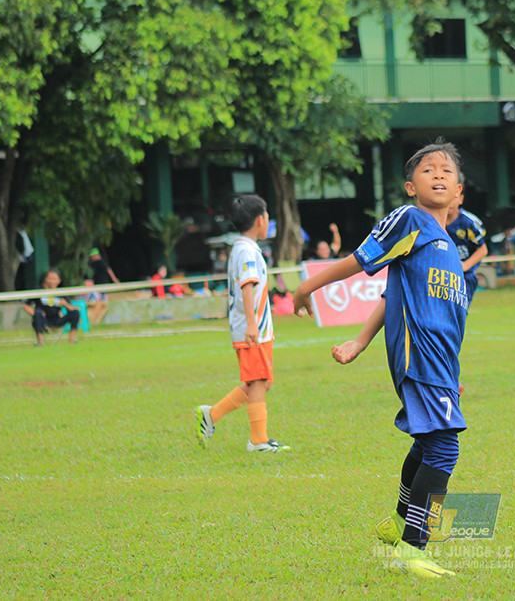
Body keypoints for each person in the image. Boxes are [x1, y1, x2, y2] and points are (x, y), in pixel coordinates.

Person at [293, 141, 468, 579]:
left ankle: (396, 525)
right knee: (445, 449)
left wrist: (359, 341)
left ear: (459, 188)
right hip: (418, 357)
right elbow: (358, 260)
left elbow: (397, 297)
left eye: (446, 170)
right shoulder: (410, 220)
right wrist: (306, 287)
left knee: (429, 444)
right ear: (412, 186)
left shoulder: (447, 246)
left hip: (440, 365)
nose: (439, 175)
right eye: (428, 170)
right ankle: (413, 547)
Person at [195, 194, 288, 453]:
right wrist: (251, 325)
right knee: (258, 380)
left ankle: (211, 415)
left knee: (261, 382)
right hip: (251, 328)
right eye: (267, 215)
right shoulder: (247, 250)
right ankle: (258, 440)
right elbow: (247, 286)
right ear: (260, 220)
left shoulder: (244, 247)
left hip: (257, 327)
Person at [445, 175, 489, 303]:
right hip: (442, 276)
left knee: (458, 315)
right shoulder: (433, 222)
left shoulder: (469, 223)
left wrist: (464, 266)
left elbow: (482, 249)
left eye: (454, 198)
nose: (449, 202)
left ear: (461, 199)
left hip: (465, 277)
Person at [22, 268, 81, 345]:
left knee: (75, 312)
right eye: (50, 279)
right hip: (44, 319)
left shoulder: (61, 292)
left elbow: (72, 308)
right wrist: (35, 314)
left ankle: (72, 338)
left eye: (54, 279)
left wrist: (65, 304)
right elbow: (26, 305)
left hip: (57, 319)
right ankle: (40, 341)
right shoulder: (38, 291)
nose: (52, 281)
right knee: (38, 313)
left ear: (59, 281)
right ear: (45, 279)